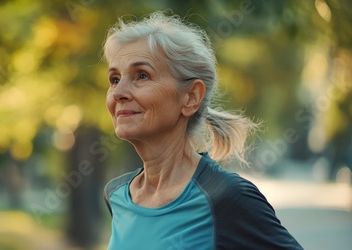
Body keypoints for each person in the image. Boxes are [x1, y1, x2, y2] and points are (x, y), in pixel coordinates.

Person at [102, 11, 303, 249]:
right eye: (114, 79)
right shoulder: (116, 194)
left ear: (191, 97)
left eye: (142, 75)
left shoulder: (226, 196)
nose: (118, 92)